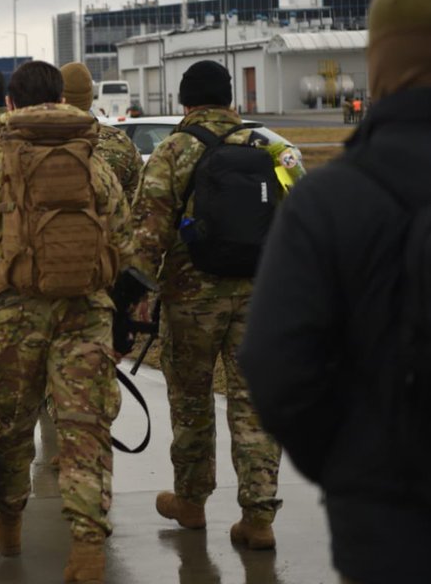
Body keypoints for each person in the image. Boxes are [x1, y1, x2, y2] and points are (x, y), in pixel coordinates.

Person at [241, 0, 431, 584]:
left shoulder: (331, 199)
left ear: (381, 62)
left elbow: (277, 368)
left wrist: (355, 468)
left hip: (392, 525)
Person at [0, 60, 130, 581]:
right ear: (66, 100)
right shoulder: (95, 159)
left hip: (9, 315)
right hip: (86, 311)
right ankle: (89, 549)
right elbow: (123, 239)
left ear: (9, 104)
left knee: (9, 427)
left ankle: (9, 519)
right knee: (84, 428)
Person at [128, 60, 282, 548]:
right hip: (259, 295)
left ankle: (191, 502)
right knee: (254, 402)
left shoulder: (173, 150)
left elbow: (148, 233)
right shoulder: (269, 146)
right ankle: (258, 518)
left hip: (192, 299)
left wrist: (134, 301)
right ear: (230, 98)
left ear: (185, 102)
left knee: (192, 401)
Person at [61, 62, 143, 197]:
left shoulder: (43, 142)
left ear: (60, 98)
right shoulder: (120, 142)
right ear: (90, 97)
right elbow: (140, 196)